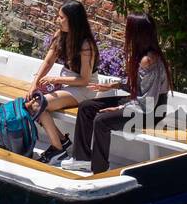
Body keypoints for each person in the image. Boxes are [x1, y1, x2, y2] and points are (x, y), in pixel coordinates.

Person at [67, 13, 172, 175]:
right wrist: (114, 85)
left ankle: (100, 170)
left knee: (102, 121)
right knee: (87, 107)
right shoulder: (143, 54)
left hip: (151, 111)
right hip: (140, 102)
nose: (125, 32)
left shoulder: (149, 60)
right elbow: (139, 88)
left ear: (137, 33)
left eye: (128, 28)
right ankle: (82, 160)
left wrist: (120, 108)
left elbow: (147, 102)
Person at [29, 1, 100, 163]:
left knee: (38, 105)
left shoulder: (86, 45)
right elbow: (48, 62)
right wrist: (34, 83)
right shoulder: (60, 36)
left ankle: (58, 149)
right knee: (31, 103)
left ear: (73, 20)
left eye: (61, 17)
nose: (57, 20)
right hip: (67, 84)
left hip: (84, 89)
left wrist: (55, 79)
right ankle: (61, 140)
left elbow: (84, 79)